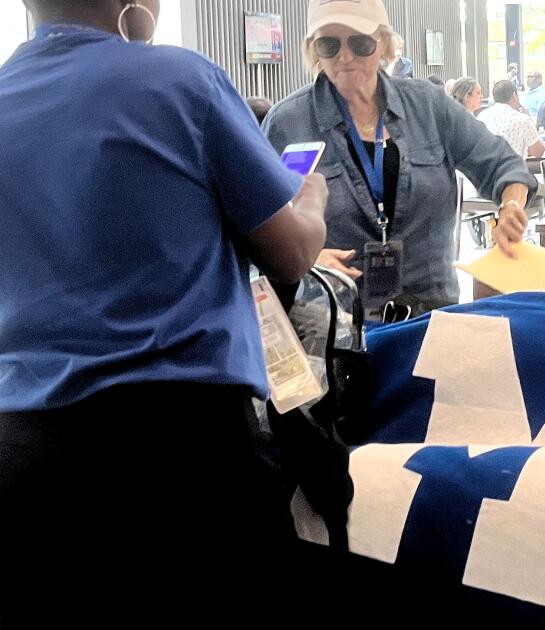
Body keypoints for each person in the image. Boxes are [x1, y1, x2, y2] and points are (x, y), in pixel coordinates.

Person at [0, 0, 331, 621]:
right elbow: (289, 254)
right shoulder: (181, 81)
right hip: (180, 458)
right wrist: (312, 199)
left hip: (23, 456)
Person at [264, 0, 536, 310]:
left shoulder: (429, 106)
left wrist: (511, 205)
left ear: (383, 43)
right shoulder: (287, 123)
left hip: (430, 313)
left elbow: (503, 163)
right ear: (314, 49)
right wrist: (308, 257)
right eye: (329, 44)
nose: (345, 56)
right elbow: (254, 227)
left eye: (360, 42)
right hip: (332, 321)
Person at [478, 79, 545, 158]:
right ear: (514, 96)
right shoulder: (522, 119)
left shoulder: (481, 116)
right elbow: (538, 152)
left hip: (485, 167)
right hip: (511, 168)